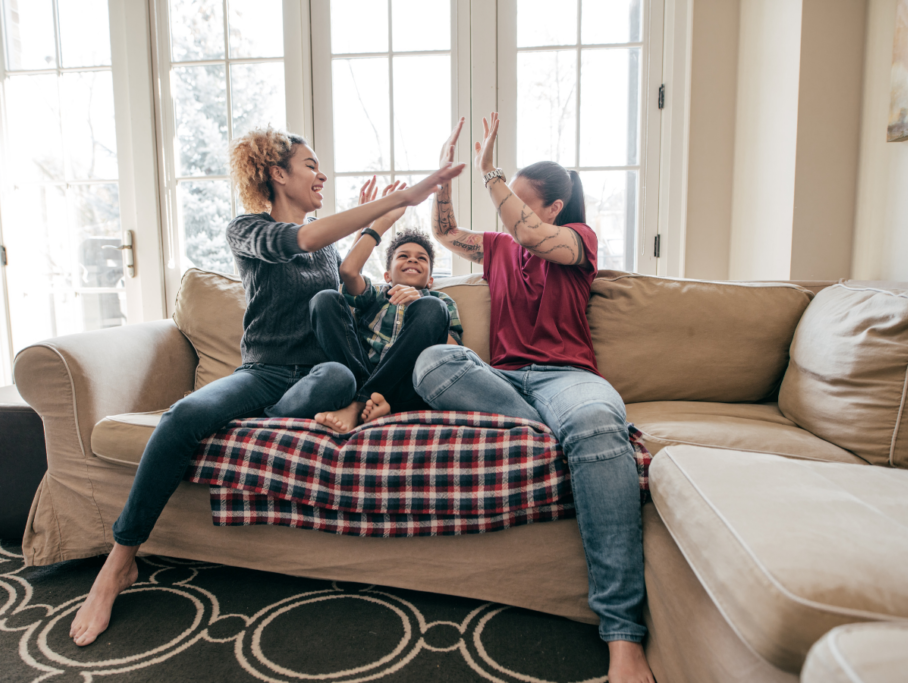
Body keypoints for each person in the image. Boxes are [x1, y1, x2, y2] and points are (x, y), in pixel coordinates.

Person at [68, 127, 465, 647]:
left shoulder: (327, 251)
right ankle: (119, 562)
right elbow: (301, 239)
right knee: (183, 418)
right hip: (264, 374)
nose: (321, 175)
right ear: (278, 174)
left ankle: (310, 412)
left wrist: (384, 241)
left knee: (340, 375)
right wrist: (400, 197)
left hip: (323, 378)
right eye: (310, 165)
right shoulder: (249, 230)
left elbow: (345, 284)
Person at [414, 114, 655, 683]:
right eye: (505, 200)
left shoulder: (576, 242)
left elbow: (529, 235)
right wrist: (446, 178)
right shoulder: (496, 248)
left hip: (567, 376)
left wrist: (490, 173)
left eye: (519, 202)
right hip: (503, 381)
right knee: (432, 361)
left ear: (550, 208)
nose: (506, 211)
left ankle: (623, 635)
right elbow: (446, 233)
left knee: (597, 420)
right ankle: (547, 430)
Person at [311, 179, 464, 431]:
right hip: (361, 371)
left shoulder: (439, 301)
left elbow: (454, 350)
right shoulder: (376, 295)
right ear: (387, 276)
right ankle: (371, 399)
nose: (412, 260)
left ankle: (360, 402)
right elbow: (348, 271)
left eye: (421, 258)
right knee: (324, 299)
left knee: (431, 310)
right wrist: (377, 224)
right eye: (403, 256)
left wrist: (421, 301)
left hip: (407, 384)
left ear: (432, 279)